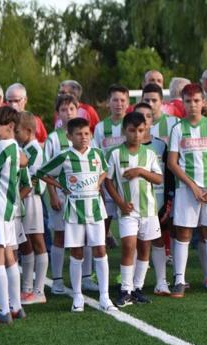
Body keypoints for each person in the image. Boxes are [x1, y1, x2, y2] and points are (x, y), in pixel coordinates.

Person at [36, 118, 117, 312]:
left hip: (96, 211)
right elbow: (41, 172)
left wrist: (98, 182)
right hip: (73, 212)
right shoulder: (64, 156)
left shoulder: (97, 153)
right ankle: (78, 296)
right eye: (79, 134)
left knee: (100, 250)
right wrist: (61, 186)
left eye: (86, 133)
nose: (83, 137)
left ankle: (105, 297)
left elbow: (105, 169)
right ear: (69, 136)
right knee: (77, 252)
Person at [167, 83, 207, 296]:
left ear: (203, 101)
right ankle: (179, 280)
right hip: (187, 190)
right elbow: (172, 163)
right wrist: (193, 187)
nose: (193, 105)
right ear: (183, 103)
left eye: (197, 101)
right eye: (188, 101)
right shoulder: (178, 128)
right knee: (184, 232)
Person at [105, 112, 163, 307]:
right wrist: (120, 202)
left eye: (140, 130)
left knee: (145, 248)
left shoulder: (149, 154)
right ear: (124, 130)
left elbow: (158, 178)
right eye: (132, 130)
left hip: (149, 211)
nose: (136, 135)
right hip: (127, 212)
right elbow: (108, 182)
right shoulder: (114, 153)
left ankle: (138, 288)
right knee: (129, 247)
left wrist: (140, 171)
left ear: (145, 130)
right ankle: (125, 289)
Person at [45, 95, 99, 294]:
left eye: (71, 109)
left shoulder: (86, 136)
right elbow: (46, 171)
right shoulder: (53, 138)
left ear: (78, 111)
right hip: (62, 197)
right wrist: (52, 195)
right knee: (60, 236)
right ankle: (57, 280)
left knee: (85, 237)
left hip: (84, 198)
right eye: (63, 110)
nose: (68, 113)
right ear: (58, 114)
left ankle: (86, 278)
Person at [133, 103, 172, 296]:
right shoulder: (125, 149)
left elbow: (168, 175)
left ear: (151, 120)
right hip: (133, 205)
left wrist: (168, 201)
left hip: (157, 203)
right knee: (134, 243)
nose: (144, 120)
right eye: (139, 116)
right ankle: (131, 283)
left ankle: (161, 282)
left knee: (157, 241)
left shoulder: (160, 145)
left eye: (147, 116)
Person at [0, 106, 27, 324]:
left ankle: (4, 310)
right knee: (9, 257)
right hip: (8, 208)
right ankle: (16, 307)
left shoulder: (3, 146)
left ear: (11, 127)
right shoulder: (14, 145)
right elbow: (25, 161)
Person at [14, 112, 48, 304]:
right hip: (23, 199)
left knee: (37, 241)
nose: (15, 134)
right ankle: (27, 288)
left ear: (28, 131)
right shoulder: (23, 147)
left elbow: (34, 179)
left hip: (31, 198)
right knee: (24, 243)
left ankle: (39, 291)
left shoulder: (34, 149)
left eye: (17, 130)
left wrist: (20, 195)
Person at [93, 85, 130, 249]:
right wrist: (98, 183)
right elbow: (96, 155)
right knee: (104, 223)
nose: (119, 104)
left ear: (128, 103)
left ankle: (132, 261)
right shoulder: (100, 127)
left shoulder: (132, 124)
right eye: (115, 100)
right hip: (107, 182)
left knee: (130, 224)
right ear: (108, 103)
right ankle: (100, 260)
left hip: (127, 180)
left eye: (122, 100)